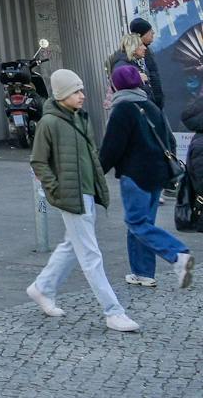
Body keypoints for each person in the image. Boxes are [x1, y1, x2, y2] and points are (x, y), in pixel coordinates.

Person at [28, 68, 139, 331]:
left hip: (86, 192)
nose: (82, 96)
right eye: (76, 91)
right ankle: (113, 311)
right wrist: (55, 191)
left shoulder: (81, 118)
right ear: (63, 94)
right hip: (71, 197)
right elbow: (38, 161)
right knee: (90, 255)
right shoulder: (49, 123)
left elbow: (90, 155)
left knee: (71, 246)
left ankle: (42, 287)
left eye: (81, 90)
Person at [99, 61, 192, 289]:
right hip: (157, 174)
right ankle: (142, 273)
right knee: (143, 223)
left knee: (136, 222)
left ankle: (178, 254)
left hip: (135, 175)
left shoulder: (122, 109)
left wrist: (97, 172)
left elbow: (111, 148)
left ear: (116, 85)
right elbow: (168, 139)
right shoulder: (150, 105)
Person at [105, 18, 166, 113]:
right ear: (134, 47)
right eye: (141, 45)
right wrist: (137, 78)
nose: (144, 48)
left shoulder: (135, 60)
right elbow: (123, 86)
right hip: (138, 110)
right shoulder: (122, 63)